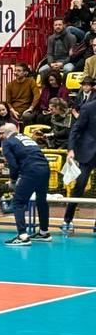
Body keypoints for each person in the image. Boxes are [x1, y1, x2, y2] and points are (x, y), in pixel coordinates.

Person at [0, 123, 52, 246]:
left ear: (6, 133)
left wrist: (13, 180)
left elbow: (13, 165)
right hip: (45, 169)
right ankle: (44, 232)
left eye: (1, 133)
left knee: (18, 202)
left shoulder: (7, 142)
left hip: (31, 171)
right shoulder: (26, 138)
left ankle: (23, 236)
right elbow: (26, 156)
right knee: (41, 200)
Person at [62, 95, 96, 234]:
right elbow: (75, 129)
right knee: (80, 185)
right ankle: (67, 220)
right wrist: (71, 149)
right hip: (88, 152)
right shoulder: (88, 108)